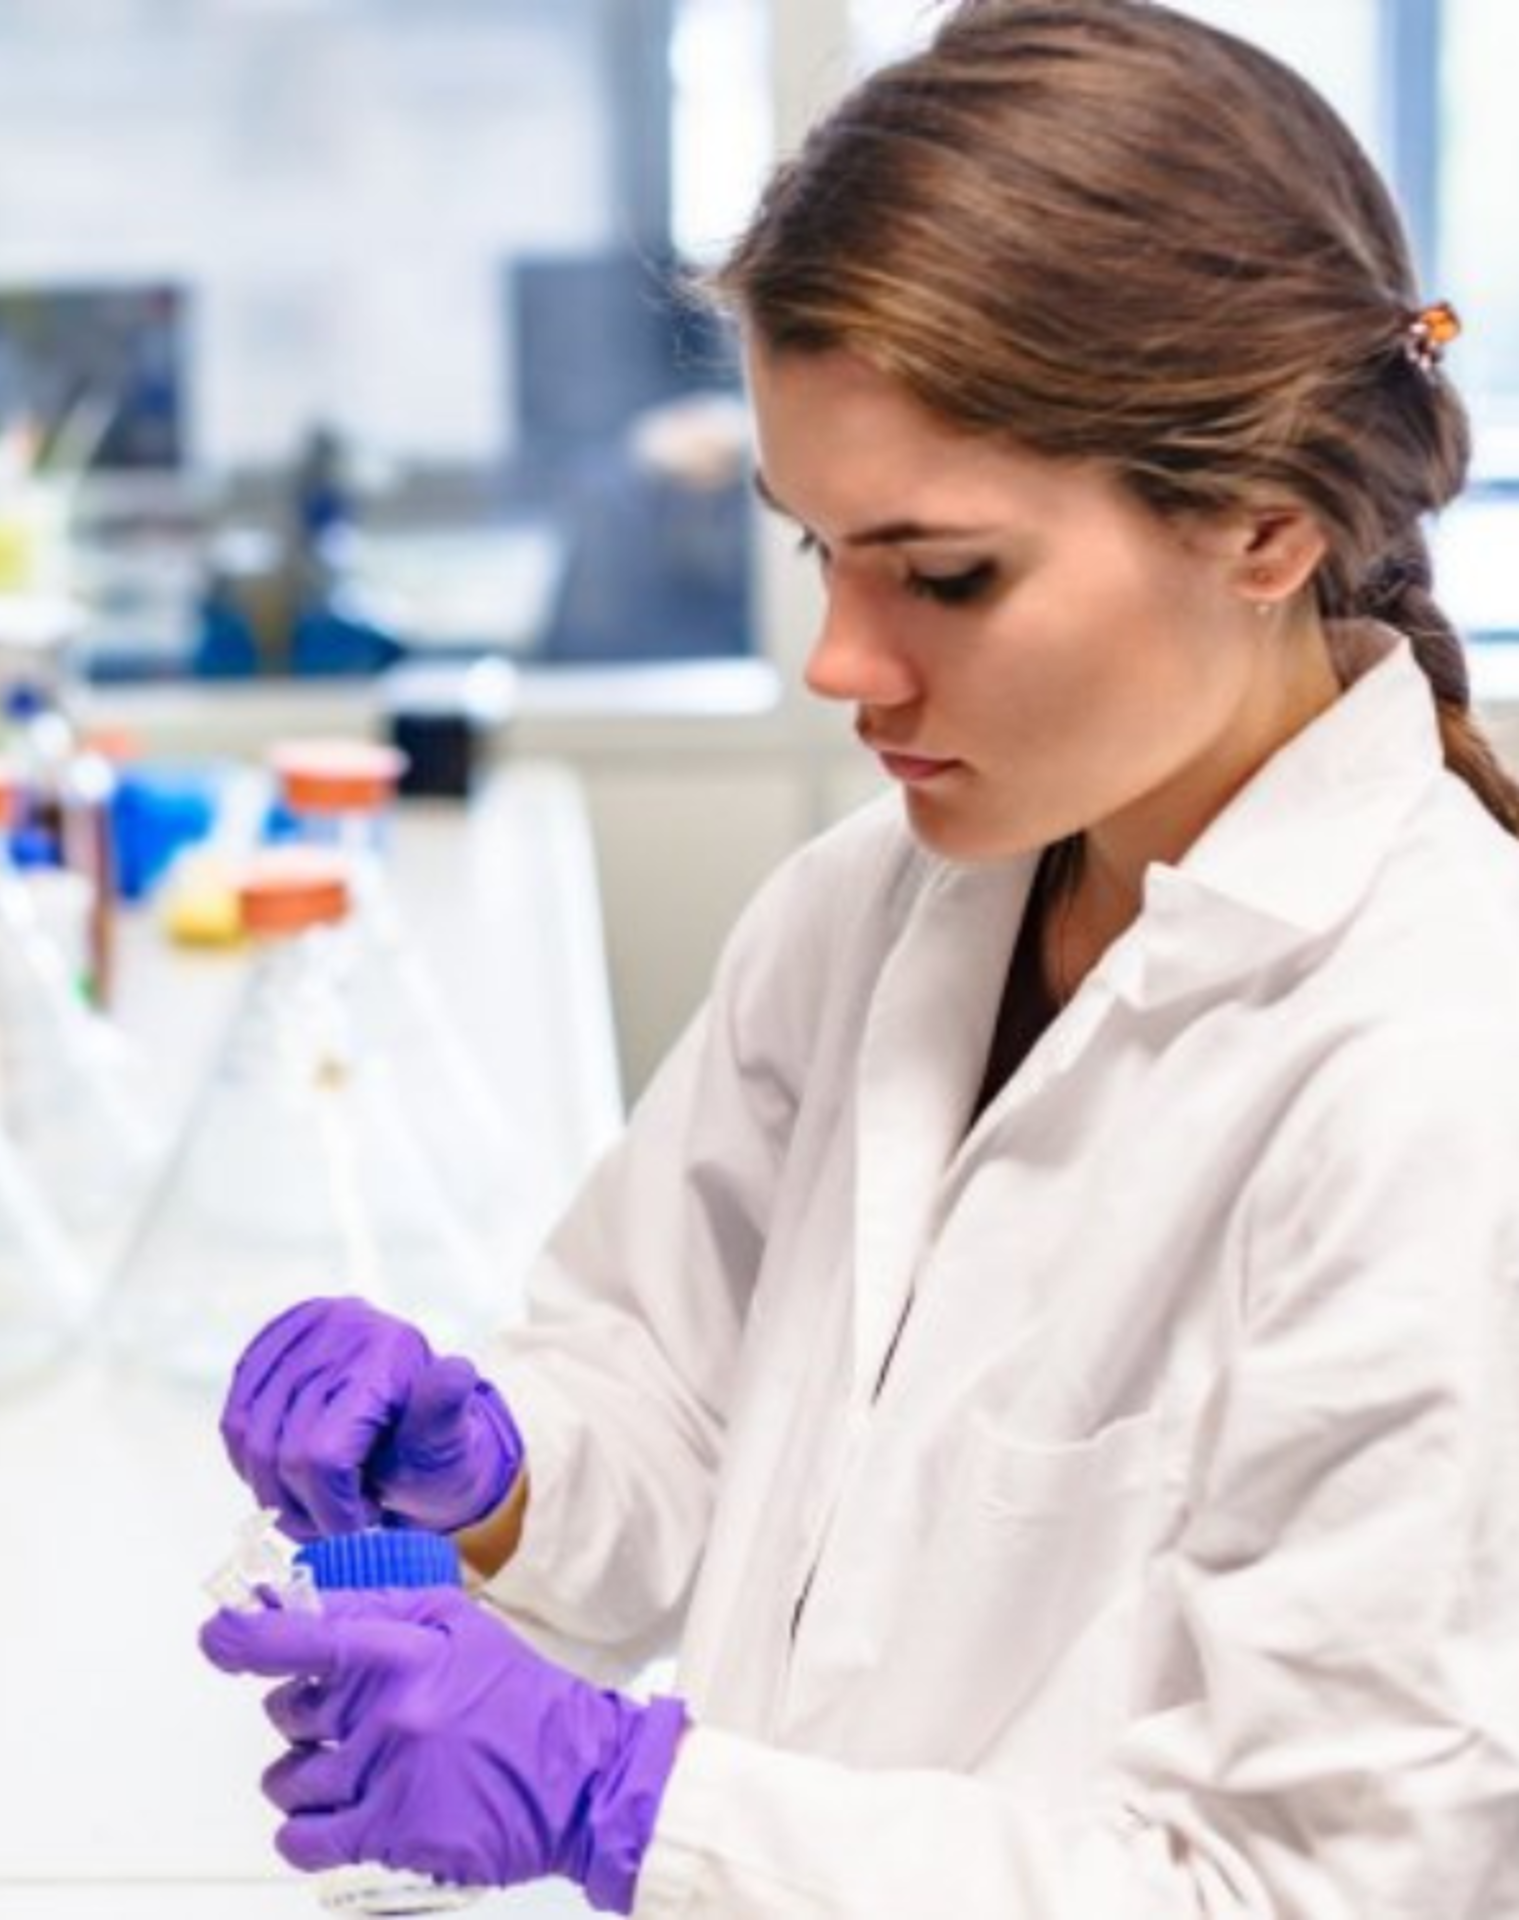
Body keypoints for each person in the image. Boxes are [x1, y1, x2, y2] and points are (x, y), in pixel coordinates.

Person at [199, 2, 1519, 1911]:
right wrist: (492, 1475)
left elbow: (1302, 1888)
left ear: (1261, 521)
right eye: (816, 548)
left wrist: (635, 1808)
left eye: (945, 572)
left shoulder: (1437, 1076)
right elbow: (681, 1390)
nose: (841, 661)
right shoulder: (875, 908)